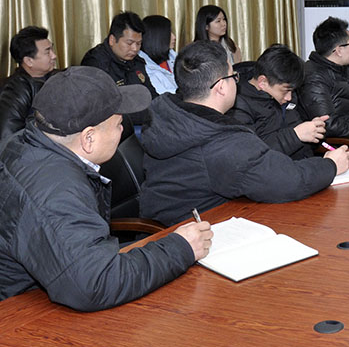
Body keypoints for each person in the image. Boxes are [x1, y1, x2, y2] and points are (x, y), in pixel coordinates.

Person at [0, 66, 212, 312]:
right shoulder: (55, 191)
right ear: (88, 138)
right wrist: (181, 248)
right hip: (20, 316)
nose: (123, 130)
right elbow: (96, 283)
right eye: (119, 123)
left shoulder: (25, 143)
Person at [140, 41, 349, 227]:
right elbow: (289, 181)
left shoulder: (170, 115)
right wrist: (331, 165)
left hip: (177, 227)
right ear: (221, 87)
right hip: (200, 234)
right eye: (234, 76)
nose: (237, 82)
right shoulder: (220, 139)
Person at [229, 44, 327, 160]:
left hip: (303, 165)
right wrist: (296, 135)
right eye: (286, 91)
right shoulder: (238, 105)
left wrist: (314, 132)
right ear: (263, 82)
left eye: (292, 91)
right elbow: (252, 154)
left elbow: (300, 141)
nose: (289, 97)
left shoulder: (284, 95)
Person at [81, 11, 158, 98]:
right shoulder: (96, 64)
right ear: (112, 40)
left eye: (138, 43)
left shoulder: (136, 62)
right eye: (129, 43)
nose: (135, 49)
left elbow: (151, 94)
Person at [0, 26, 57, 141]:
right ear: (29, 61)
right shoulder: (14, 90)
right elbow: (8, 137)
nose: (54, 56)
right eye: (47, 52)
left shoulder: (58, 76)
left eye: (52, 49)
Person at [138, 15, 177, 94]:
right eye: (169, 33)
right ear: (157, 37)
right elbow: (163, 96)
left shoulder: (173, 56)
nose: (174, 37)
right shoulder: (144, 69)